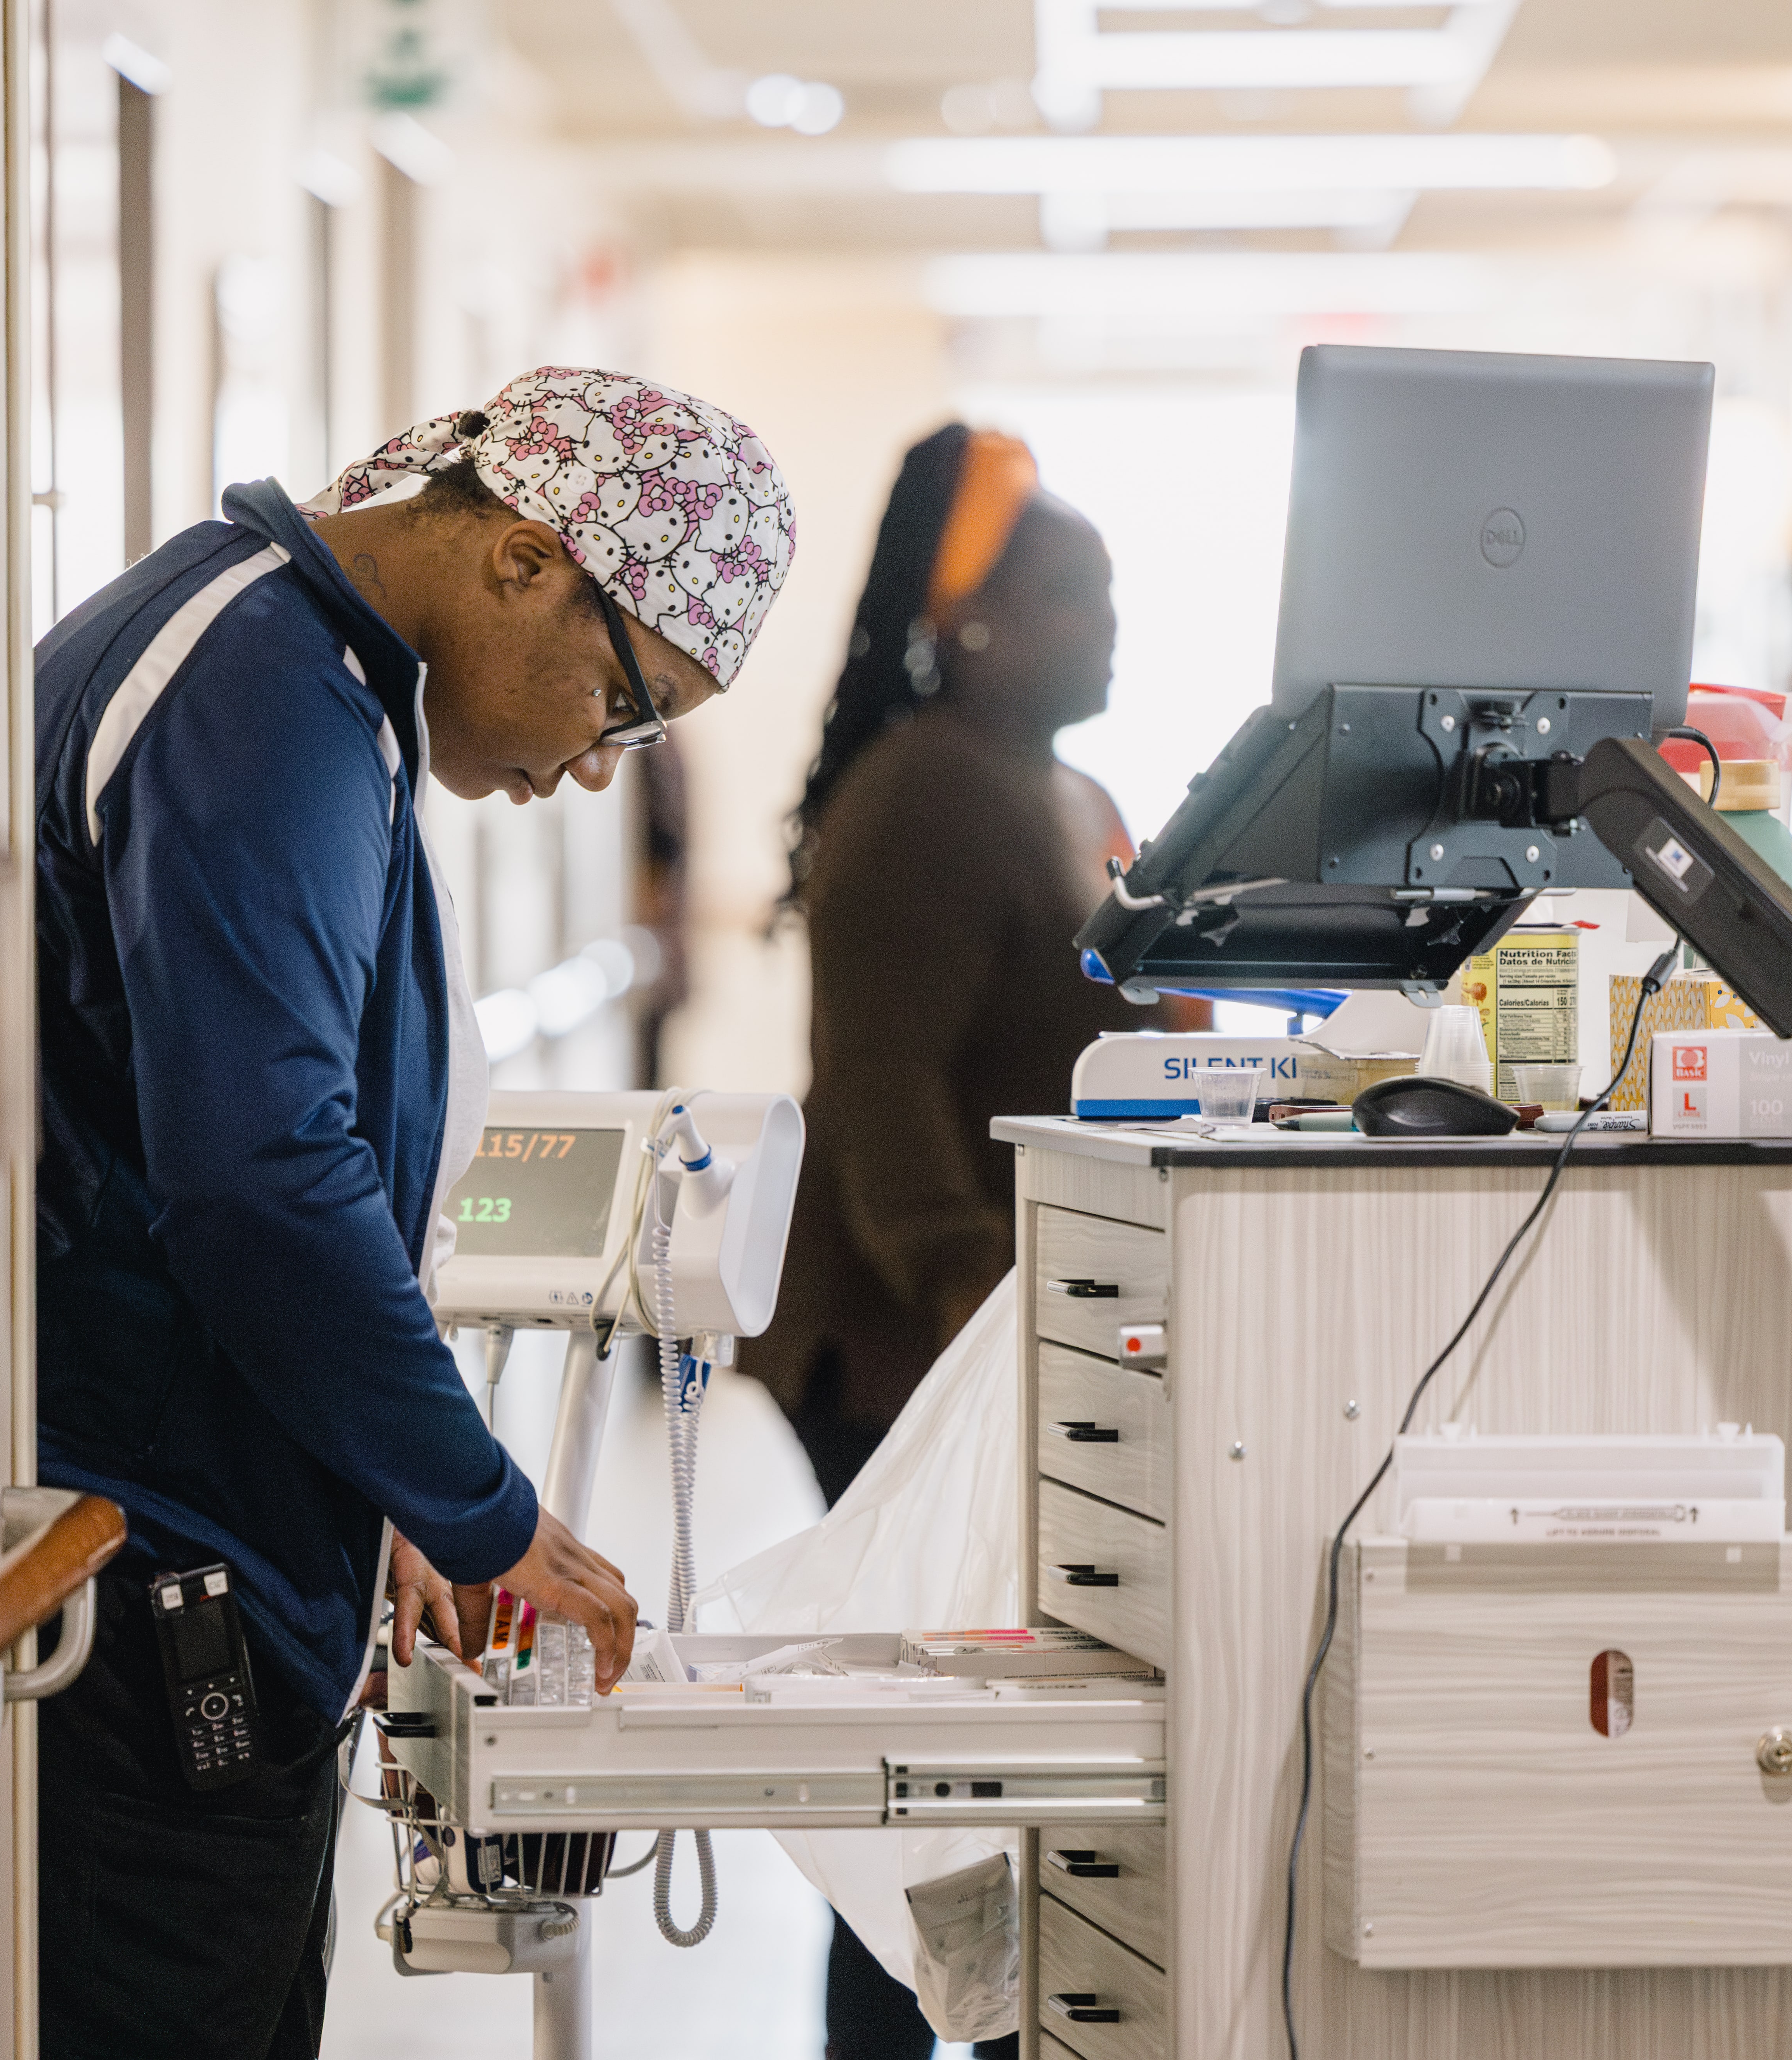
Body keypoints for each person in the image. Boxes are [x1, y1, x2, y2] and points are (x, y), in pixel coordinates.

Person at [29, 366, 794, 2059]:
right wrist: (474, 1507)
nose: (598, 771)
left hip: (207, 1528)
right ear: (526, 557)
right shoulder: (259, 690)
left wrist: (374, 1490)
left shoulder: (323, 682)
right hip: (152, 1569)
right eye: (626, 700)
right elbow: (263, 1176)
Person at [750, 424, 1171, 2060]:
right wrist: (966, 1305)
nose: (1110, 625)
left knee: (1002, 1764)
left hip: (1022, 1336)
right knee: (932, 1769)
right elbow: (879, 1086)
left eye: (1114, 591)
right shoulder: (921, 789)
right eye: (1075, 595)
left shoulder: (1068, 786)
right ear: (978, 617)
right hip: (911, 1342)